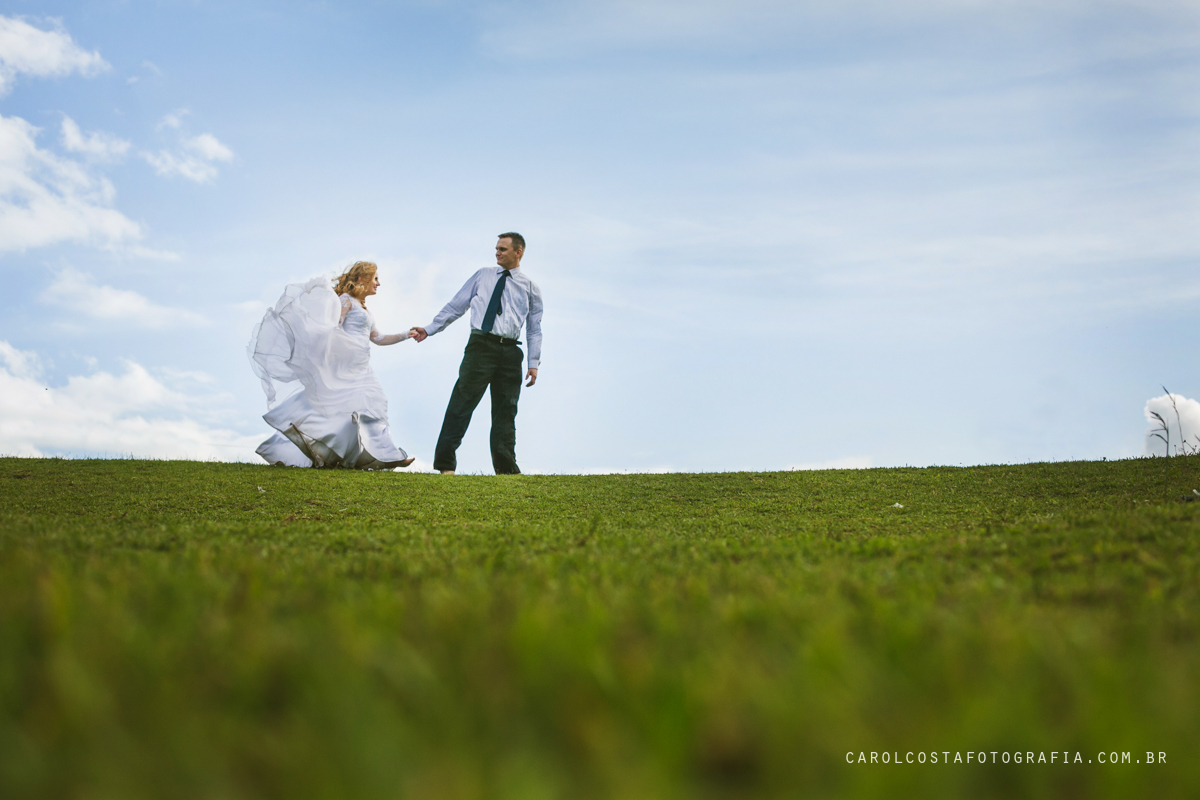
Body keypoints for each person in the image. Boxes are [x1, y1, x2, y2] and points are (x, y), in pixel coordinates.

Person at [248, 261, 417, 469]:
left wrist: (406, 335)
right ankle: (379, 455)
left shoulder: (367, 311)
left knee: (373, 408)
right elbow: (334, 325)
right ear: (362, 278)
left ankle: (385, 455)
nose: (378, 283)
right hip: (344, 366)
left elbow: (378, 338)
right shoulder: (345, 300)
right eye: (375, 279)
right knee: (328, 409)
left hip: (361, 367)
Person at [410, 233, 543, 475]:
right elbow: (456, 305)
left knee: (506, 411)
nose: (497, 253)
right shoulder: (483, 275)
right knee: (461, 403)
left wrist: (533, 362)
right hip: (481, 346)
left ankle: (506, 470)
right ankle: (445, 465)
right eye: (496, 248)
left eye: (503, 249)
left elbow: (534, 329)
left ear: (518, 252)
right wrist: (430, 329)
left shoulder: (531, 288)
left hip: (511, 351)